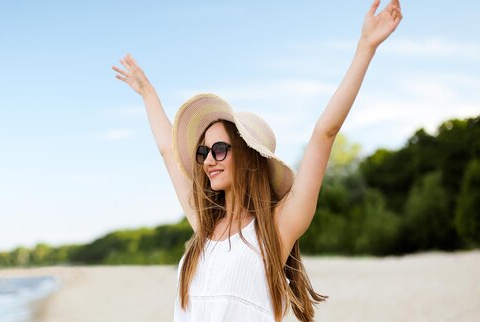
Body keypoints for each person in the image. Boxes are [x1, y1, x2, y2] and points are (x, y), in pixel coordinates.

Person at [112, 1, 402, 321]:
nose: (209, 160)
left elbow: (325, 133)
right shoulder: (205, 225)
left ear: (248, 155)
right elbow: (168, 151)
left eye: (219, 149)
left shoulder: (277, 228)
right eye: (203, 152)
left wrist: (365, 47)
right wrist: (148, 93)